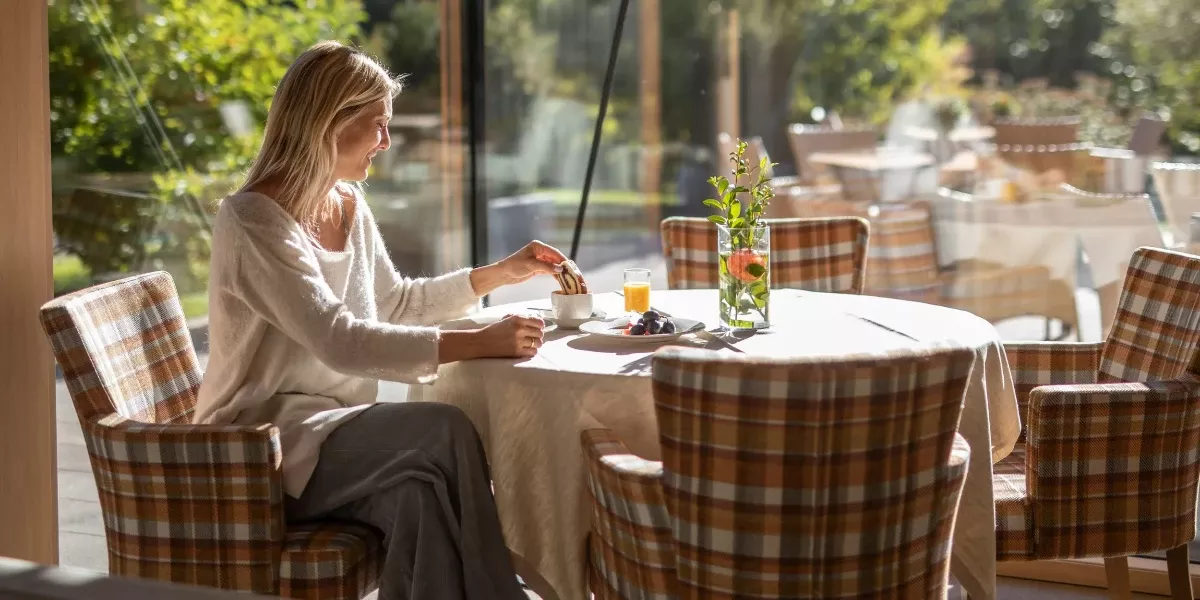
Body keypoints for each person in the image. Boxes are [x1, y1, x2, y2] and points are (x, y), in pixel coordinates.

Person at [194, 41, 563, 600]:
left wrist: (500, 274)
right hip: (261, 445)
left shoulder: (346, 203)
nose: (386, 143)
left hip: (337, 435)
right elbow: (338, 339)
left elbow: (396, 304)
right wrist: (477, 343)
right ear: (329, 122)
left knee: (420, 497)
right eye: (377, 125)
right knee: (442, 428)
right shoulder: (252, 222)